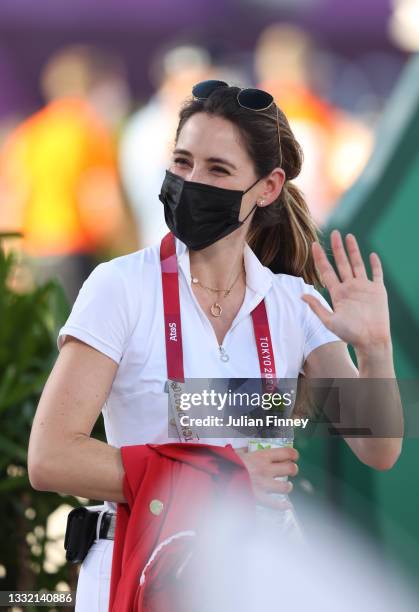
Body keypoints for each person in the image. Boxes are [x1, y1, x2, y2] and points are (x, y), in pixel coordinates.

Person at [27, 80, 403, 611]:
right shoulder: (121, 287)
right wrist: (219, 474)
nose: (190, 181)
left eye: (218, 169)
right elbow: (50, 458)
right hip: (139, 567)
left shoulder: (292, 302)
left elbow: (377, 448)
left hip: (257, 575)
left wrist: (377, 347)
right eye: (182, 161)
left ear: (268, 188)